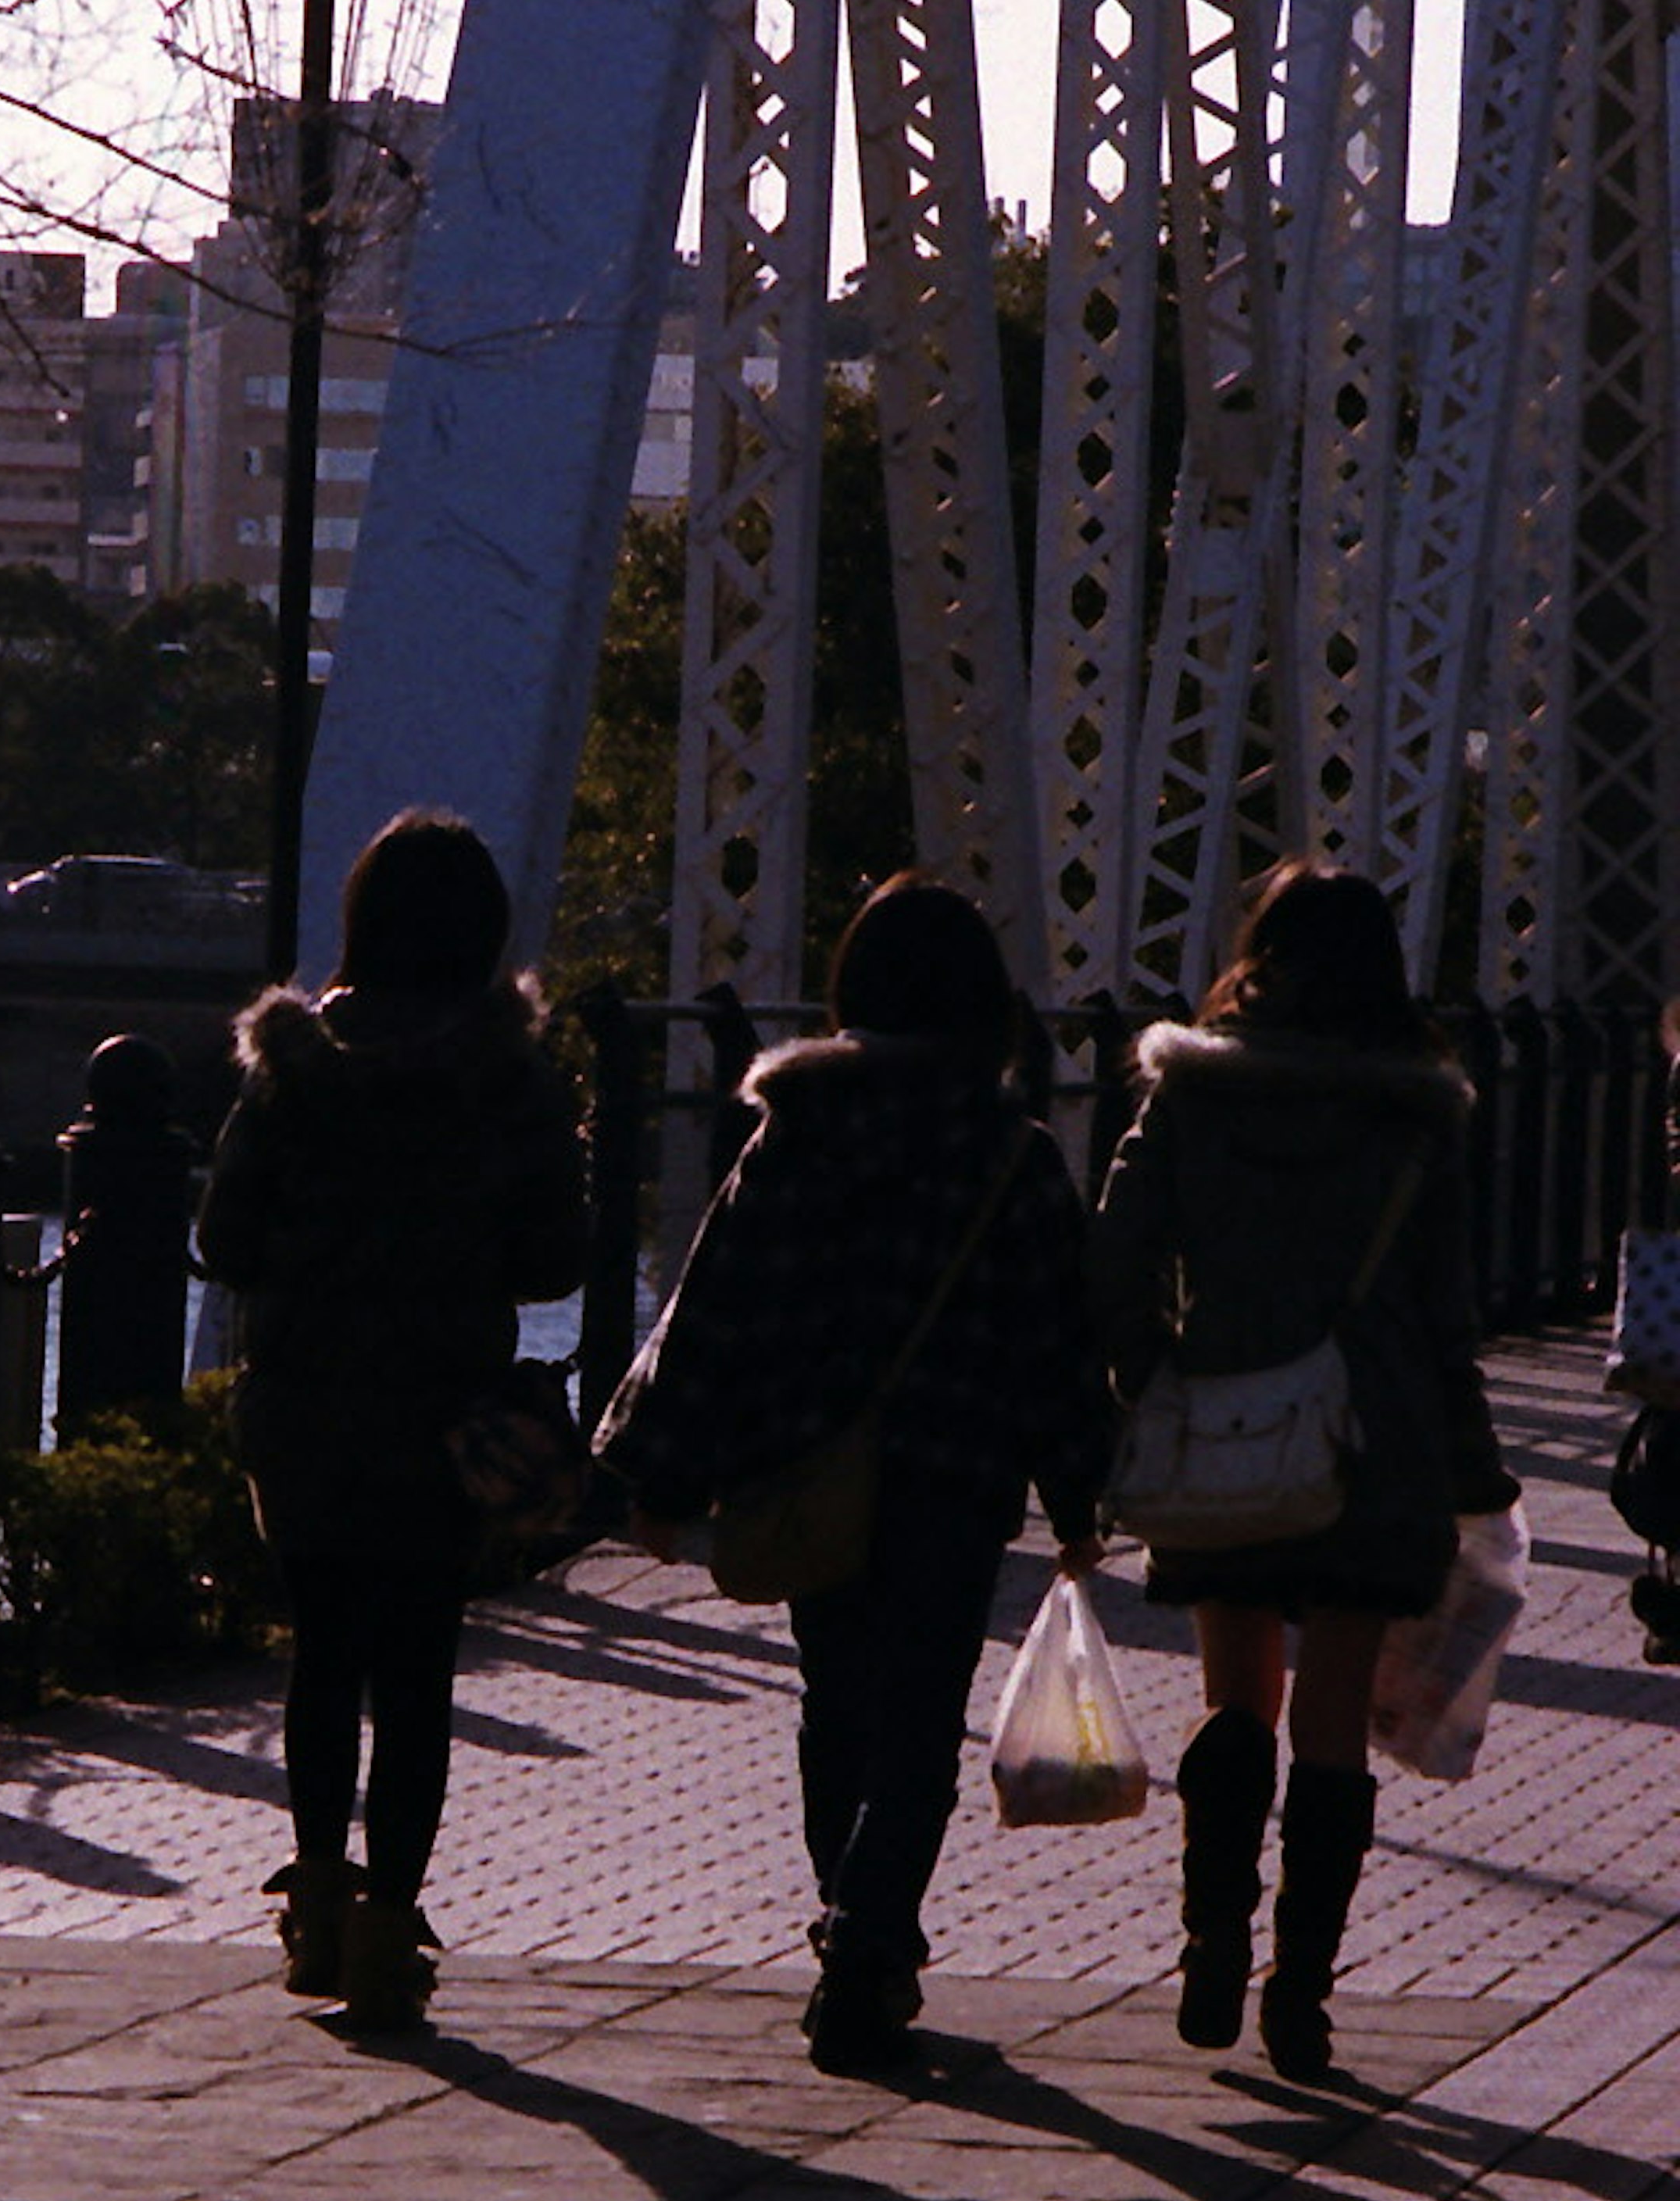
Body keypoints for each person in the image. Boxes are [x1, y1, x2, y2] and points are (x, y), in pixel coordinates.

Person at [598, 873, 1113, 2078]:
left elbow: (717, 1303)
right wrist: (1081, 1489)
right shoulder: (1013, 1154)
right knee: (923, 1712)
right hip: (956, 1465)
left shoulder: (797, 1134)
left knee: (835, 1700)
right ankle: (869, 1937)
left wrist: (659, 1466)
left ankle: (851, 1917)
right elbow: (1056, 1336)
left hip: (808, 1462)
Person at [1089, 857, 1516, 2084]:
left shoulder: (1190, 1093)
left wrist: (1150, 1375)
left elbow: (1117, 1252)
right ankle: (1303, 1994)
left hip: (1227, 1415)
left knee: (1236, 1699)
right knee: (1331, 1712)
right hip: (1374, 1440)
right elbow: (1447, 1321)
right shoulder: (1415, 1116)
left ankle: (1210, 1938)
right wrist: (1475, 1472)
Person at [195, 806, 588, 2035]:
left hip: (304, 1407)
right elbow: (554, 1261)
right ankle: (388, 1919)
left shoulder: (294, 1068)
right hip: (439, 1414)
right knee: (416, 1673)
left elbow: (224, 1237)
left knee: (323, 1653)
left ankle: (312, 1890)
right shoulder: (509, 1081)